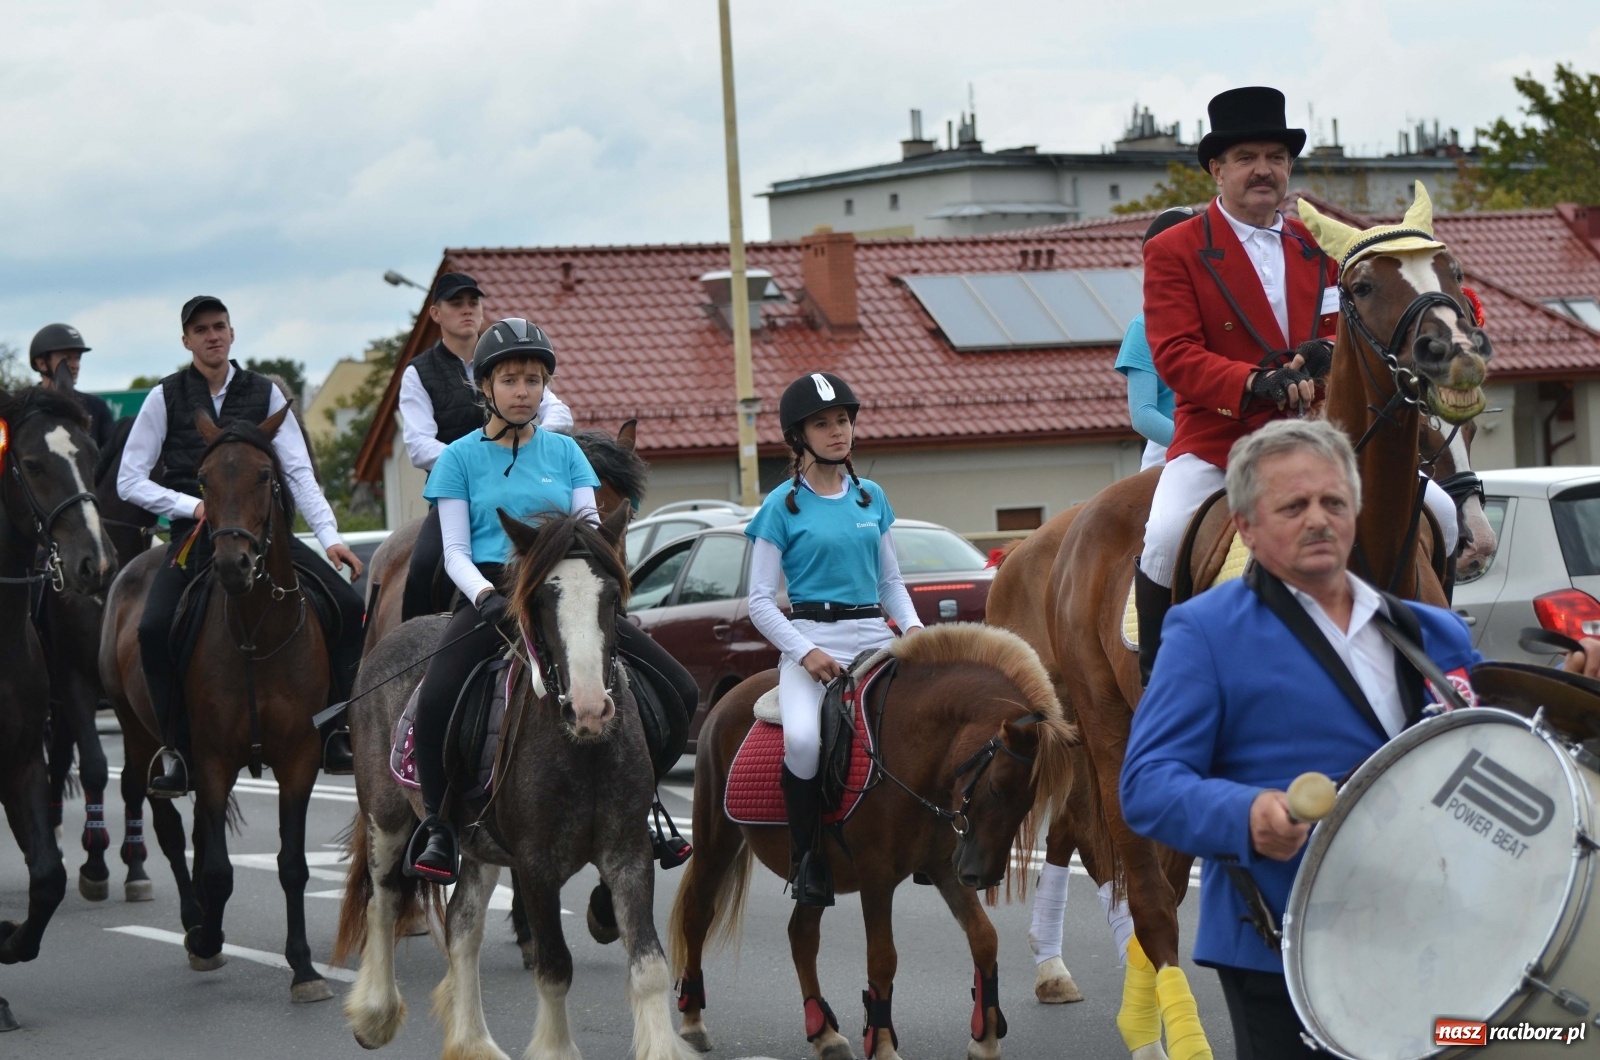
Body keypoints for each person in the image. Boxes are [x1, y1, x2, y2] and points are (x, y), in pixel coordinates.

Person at [1119, 418, 1600, 1059]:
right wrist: (1248, 814)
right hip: (1284, 947)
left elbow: (1485, 757)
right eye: (1294, 506)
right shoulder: (1204, 632)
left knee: (1550, 1042)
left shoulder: (1435, 633)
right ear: (1248, 527)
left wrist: (1570, 703)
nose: (1318, 519)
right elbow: (1148, 783)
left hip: (1440, 934)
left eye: (1333, 502)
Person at [1136, 85, 1458, 684]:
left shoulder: (1321, 242)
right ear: (1217, 169)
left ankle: (1431, 647)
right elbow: (1175, 354)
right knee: (1163, 536)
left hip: (1322, 436)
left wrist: (1325, 354)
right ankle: (1161, 678)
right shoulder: (1175, 249)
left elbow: (1355, 333)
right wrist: (1253, 381)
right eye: (1247, 158)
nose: (1264, 170)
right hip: (1221, 438)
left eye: (1276, 158)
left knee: (1440, 509)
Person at [405, 318, 692, 883]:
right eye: (510, 380)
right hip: (491, 593)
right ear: (485, 387)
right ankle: (439, 827)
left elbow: (591, 533)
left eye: (534, 380)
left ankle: (645, 808)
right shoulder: (457, 459)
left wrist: (601, 592)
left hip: (566, 595)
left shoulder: (566, 454)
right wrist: (486, 596)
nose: (523, 391)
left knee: (678, 687)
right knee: (435, 697)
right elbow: (455, 550)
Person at [118, 296, 367, 795]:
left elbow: (297, 469)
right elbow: (130, 479)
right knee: (151, 627)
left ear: (231, 334)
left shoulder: (265, 394)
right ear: (186, 340)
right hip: (196, 539)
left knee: (346, 606)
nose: (212, 336)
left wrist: (330, 537)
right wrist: (192, 507)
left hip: (264, 537)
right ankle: (177, 747)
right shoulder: (163, 398)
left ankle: (338, 730)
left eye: (220, 327)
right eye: (201, 330)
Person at [744, 372, 924, 907]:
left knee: (925, 723)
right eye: (822, 424)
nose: (837, 431)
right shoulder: (780, 507)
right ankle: (807, 862)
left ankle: (931, 846)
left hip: (875, 635)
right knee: (803, 740)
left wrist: (913, 631)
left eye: (842, 420)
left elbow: (890, 583)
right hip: (813, 640)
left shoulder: (872, 497)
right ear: (799, 437)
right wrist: (805, 651)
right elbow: (758, 600)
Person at [397, 273, 572, 622]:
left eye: (473, 302)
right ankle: (413, 652)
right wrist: (478, 458)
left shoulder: (505, 360)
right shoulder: (418, 373)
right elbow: (418, 446)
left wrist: (532, 444)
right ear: (435, 313)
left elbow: (559, 412)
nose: (467, 310)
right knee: (424, 564)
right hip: (457, 491)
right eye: (456, 303)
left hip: (526, 479)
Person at [1115, 208, 1191, 471]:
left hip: (1232, 441)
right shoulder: (1142, 328)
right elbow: (1143, 415)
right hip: (1171, 454)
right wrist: (1197, 442)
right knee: (1169, 516)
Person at [31, 323, 114, 449]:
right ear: (42, 363)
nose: (75, 365)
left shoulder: (96, 407)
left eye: (77, 358)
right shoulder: (26, 407)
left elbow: (110, 456)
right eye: (67, 358)